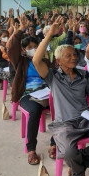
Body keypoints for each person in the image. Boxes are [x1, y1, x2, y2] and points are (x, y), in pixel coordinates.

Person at [33, 16, 89, 176]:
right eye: (68, 56)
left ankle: (78, 166)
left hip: (87, 119)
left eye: (74, 55)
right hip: (64, 124)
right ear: (58, 61)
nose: (73, 58)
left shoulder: (84, 74)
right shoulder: (53, 77)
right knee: (69, 152)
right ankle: (80, 174)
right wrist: (49, 34)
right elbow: (36, 60)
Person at [7, 14, 56, 165]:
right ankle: (31, 149)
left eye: (35, 47)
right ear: (24, 50)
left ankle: (54, 143)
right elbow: (11, 47)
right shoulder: (20, 61)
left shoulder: (45, 61)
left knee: (61, 108)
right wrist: (20, 29)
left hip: (46, 93)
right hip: (27, 95)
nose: (33, 50)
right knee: (34, 111)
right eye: (29, 48)